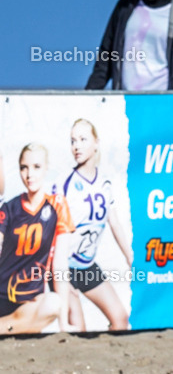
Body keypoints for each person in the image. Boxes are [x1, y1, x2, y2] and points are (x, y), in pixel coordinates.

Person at [62, 119, 132, 331]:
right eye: (73, 141)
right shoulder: (65, 183)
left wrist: (130, 257)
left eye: (83, 139)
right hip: (63, 268)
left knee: (120, 320)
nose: (77, 146)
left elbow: (114, 223)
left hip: (86, 267)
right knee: (78, 332)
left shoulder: (104, 182)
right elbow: (52, 233)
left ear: (96, 143)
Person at [0, 144, 74, 334]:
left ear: (46, 168)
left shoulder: (57, 206)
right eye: (24, 168)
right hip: (2, 297)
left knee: (54, 303)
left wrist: (64, 323)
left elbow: (60, 266)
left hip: (31, 303)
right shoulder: (9, 208)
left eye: (36, 167)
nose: (29, 174)